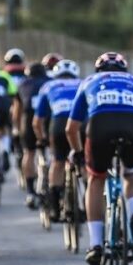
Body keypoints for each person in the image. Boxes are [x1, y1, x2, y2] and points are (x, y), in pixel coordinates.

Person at [66, 52, 133, 265]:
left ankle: (96, 244)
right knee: (132, 175)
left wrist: (78, 152)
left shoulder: (89, 81)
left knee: (96, 180)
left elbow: (71, 128)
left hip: (100, 126)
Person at [33, 59, 82, 220]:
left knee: (58, 162)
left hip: (59, 125)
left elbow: (37, 122)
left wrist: (42, 139)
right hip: (80, 125)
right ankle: (86, 198)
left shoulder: (48, 86)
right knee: (85, 163)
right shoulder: (82, 83)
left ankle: (54, 206)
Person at [14, 62, 50, 208]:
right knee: (54, 153)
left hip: (28, 120)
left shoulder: (23, 84)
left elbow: (17, 111)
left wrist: (16, 128)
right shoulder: (49, 82)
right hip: (47, 120)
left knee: (28, 153)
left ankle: (30, 191)